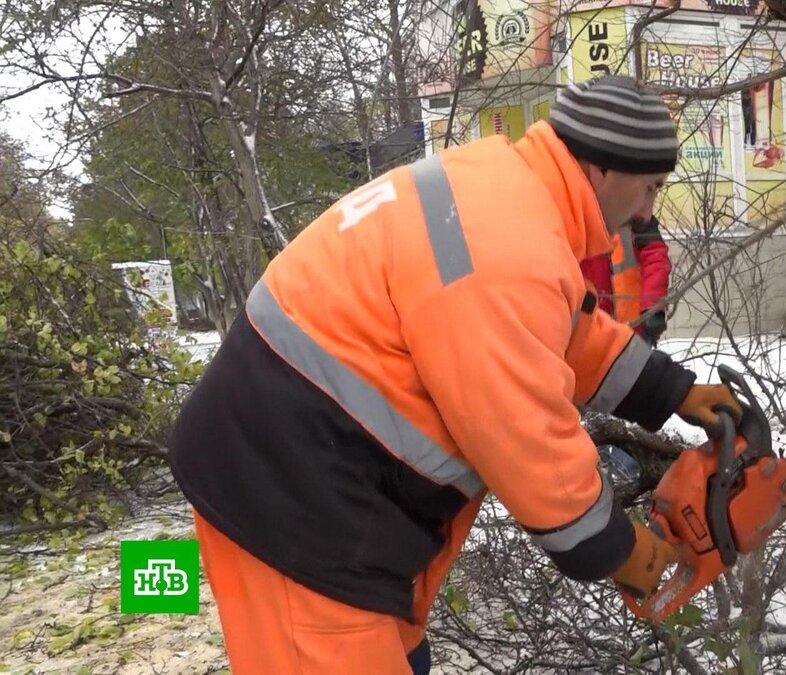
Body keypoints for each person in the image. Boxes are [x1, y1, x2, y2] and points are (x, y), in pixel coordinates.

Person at [166, 74, 744, 674]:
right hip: (292, 502)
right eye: (649, 186)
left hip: (333, 485)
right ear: (602, 169)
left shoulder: (505, 192)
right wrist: (618, 550)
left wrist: (672, 391)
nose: (648, 208)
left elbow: (559, 329)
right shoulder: (508, 244)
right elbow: (523, 434)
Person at [579, 213, 672, 346]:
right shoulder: (573, 219)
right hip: (587, 340)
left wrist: (653, 309)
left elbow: (656, 260)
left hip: (634, 335)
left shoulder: (636, 213)